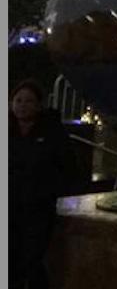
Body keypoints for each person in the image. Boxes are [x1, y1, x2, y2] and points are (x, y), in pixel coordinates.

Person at [10, 79, 75, 289]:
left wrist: (48, 190)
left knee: (31, 261)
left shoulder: (52, 131)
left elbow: (67, 165)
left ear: (39, 104)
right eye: (18, 100)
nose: (22, 105)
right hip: (9, 207)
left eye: (28, 101)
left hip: (37, 208)